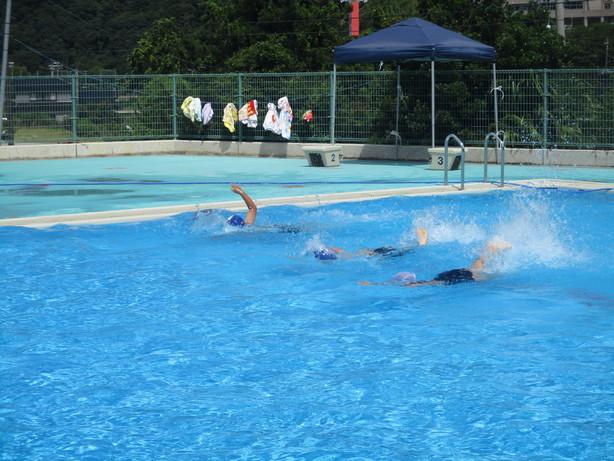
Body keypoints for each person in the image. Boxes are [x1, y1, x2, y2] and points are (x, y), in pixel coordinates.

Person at [359, 240, 512, 286]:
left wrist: (374, 284)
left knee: (493, 276)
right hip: (452, 275)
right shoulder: (433, 281)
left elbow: (415, 284)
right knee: (476, 267)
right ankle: (491, 249)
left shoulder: (431, 282)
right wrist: (374, 284)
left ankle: (491, 249)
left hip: (456, 276)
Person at [313, 227, 429, 260]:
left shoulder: (345, 258)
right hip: (374, 251)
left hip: (375, 254)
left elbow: (339, 250)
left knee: (401, 251)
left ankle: (421, 244)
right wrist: (327, 246)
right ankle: (419, 243)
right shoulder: (344, 256)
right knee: (400, 249)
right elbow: (339, 250)